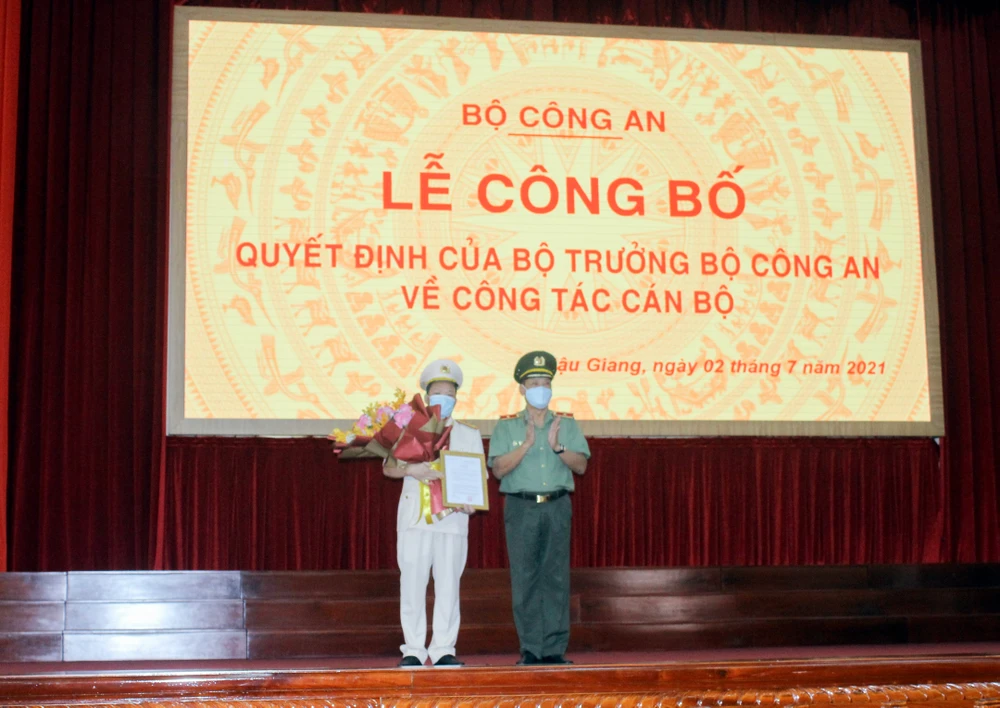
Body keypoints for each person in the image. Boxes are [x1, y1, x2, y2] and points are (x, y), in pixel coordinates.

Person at [487, 351, 590, 666]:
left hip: (557, 506)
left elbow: (581, 465)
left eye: (545, 383)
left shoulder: (566, 424)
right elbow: (498, 469)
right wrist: (527, 444)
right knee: (526, 578)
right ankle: (531, 648)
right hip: (522, 508)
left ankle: (554, 649)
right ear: (522, 389)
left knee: (556, 578)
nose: (540, 389)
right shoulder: (506, 427)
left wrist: (558, 447)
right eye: (534, 383)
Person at [383, 359, 483, 667]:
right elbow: (388, 467)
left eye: (449, 394)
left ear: (456, 398)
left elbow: (477, 477)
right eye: (438, 393)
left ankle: (443, 649)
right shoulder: (409, 429)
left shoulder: (468, 434)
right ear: (427, 397)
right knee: (412, 584)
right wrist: (411, 469)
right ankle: (413, 649)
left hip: (452, 520)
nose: (444, 399)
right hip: (415, 518)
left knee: (449, 585)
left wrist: (472, 500)